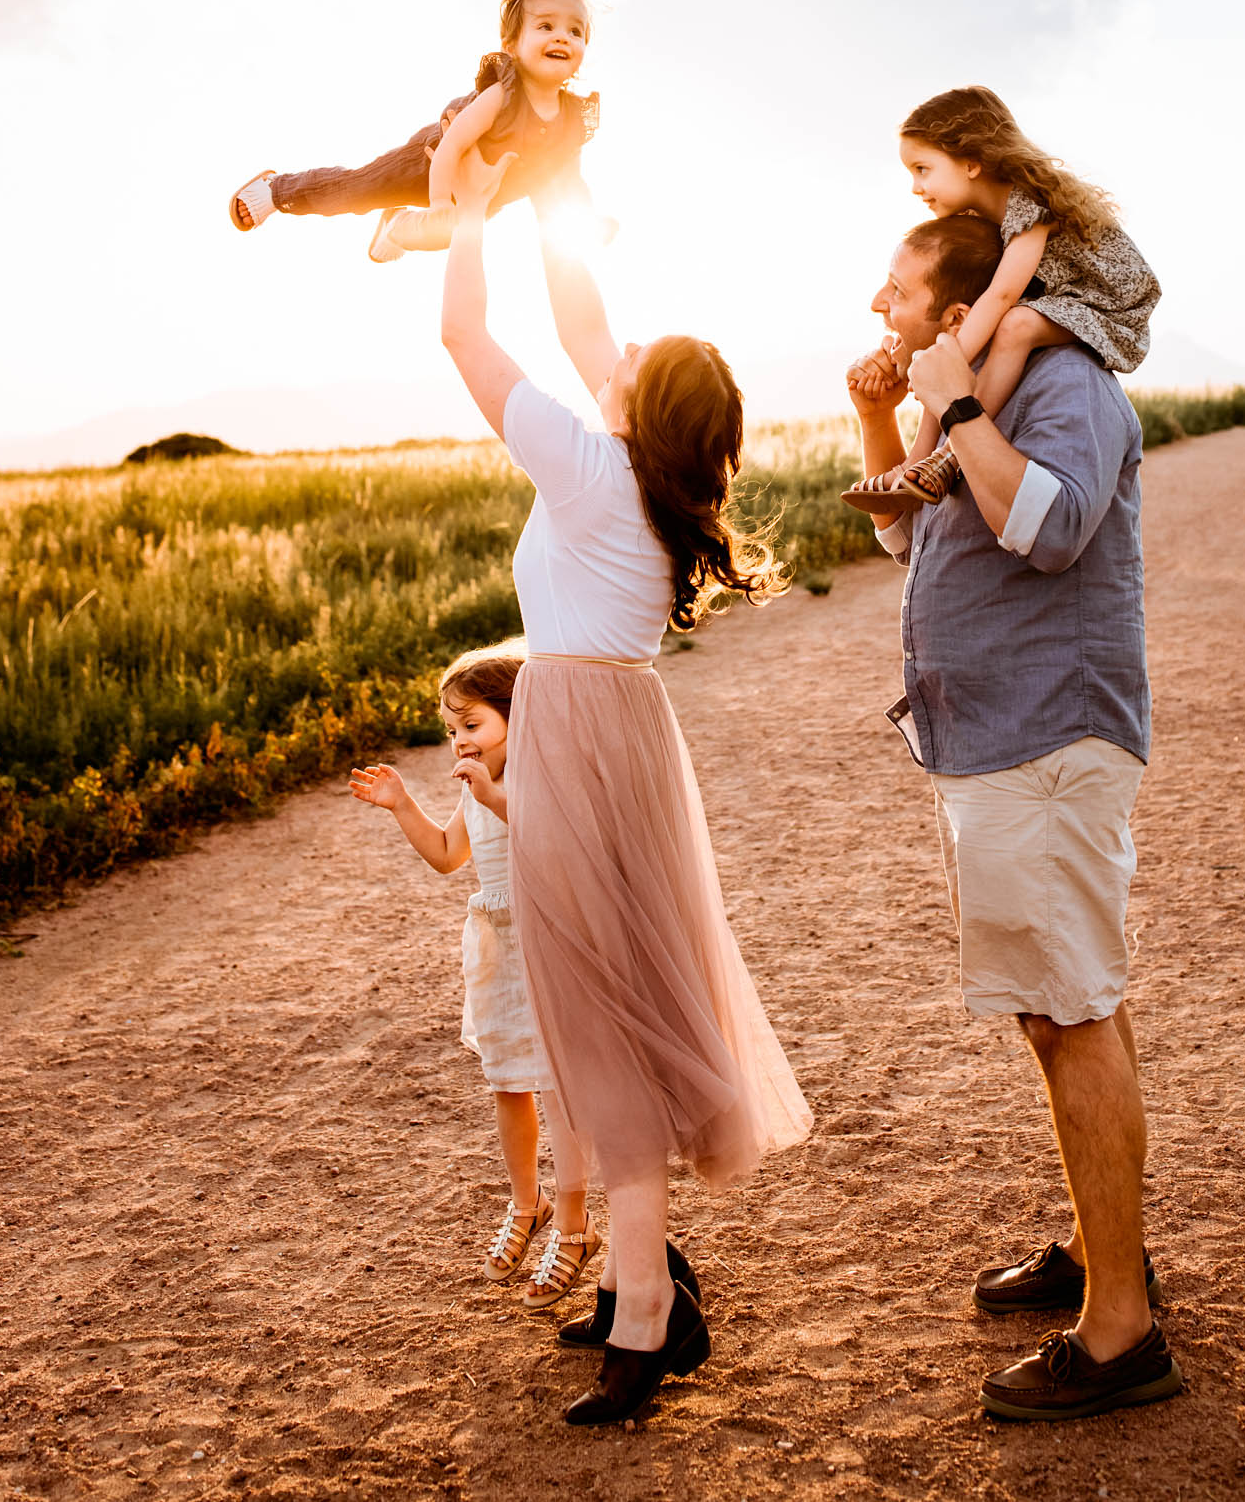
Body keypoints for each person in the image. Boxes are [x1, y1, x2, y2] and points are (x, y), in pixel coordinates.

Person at [436, 122, 812, 1426]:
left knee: (598, 1024)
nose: (617, 350)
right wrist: (557, 186)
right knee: (611, 1011)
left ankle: (647, 1309)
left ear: (638, 406)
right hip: (619, 736)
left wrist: (467, 206)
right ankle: (647, 1286)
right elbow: (589, 312)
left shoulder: (596, 469)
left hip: (581, 742)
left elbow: (467, 346)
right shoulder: (650, 477)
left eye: (633, 364)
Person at [845, 211, 1183, 1424]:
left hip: (1046, 734)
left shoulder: (1065, 384)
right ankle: (1109, 1251)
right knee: (1063, 1003)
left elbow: (1045, 532)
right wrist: (887, 412)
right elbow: (904, 532)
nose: (875, 304)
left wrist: (960, 409)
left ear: (952, 309)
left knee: (1070, 1007)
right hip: (994, 738)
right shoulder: (970, 393)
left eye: (894, 290)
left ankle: (1119, 1333)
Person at [347, 644, 600, 1311]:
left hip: (553, 939)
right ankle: (529, 1204)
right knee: (509, 1081)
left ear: (519, 720)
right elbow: (447, 854)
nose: (459, 741)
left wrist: (495, 793)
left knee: (562, 1085)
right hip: (499, 947)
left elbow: (553, 835)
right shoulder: (473, 788)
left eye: (473, 725)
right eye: (451, 729)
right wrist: (402, 804)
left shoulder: (538, 778)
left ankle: (575, 1225)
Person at [844, 86, 1159, 512]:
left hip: (1106, 303)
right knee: (949, 353)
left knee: (1015, 326)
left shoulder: (1029, 201)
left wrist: (947, 361)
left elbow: (1003, 293)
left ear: (971, 162)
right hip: (1061, 297)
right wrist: (940, 358)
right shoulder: (981, 217)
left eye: (923, 169)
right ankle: (918, 462)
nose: (917, 187)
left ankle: (950, 455)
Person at [228, 0, 599, 265]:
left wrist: (588, 223)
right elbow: (452, 146)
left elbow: (569, 180)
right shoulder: (502, 95)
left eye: (575, 31)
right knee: (355, 191)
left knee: (454, 237)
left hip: (479, 196)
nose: (563, 38)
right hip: (426, 165)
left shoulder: (571, 120)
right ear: (511, 46)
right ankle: (277, 191)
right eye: (546, 27)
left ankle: (395, 228)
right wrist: (439, 205)